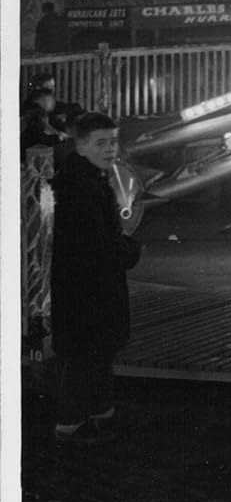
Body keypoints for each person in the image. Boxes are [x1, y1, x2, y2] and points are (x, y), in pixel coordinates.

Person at [50, 111, 140, 445]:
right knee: (87, 357)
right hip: (87, 289)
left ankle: (98, 415)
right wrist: (128, 250)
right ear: (82, 146)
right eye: (100, 143)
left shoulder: (84, 179)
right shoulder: (84, 188)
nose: (109, 149)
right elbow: (95, 245)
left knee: (94, 354)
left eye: (113, 141)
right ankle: (74, 424)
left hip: (86, 288)